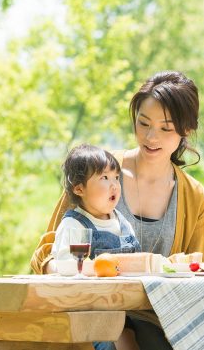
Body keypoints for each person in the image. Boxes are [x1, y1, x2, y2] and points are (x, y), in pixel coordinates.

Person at [31, 70, 204, 350]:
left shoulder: (193, 195)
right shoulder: (98, 172)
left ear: (186, 129)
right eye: (143, 123)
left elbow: (194, 273)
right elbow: (47, 253)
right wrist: (77, 269)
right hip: (89, 311)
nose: (151, 137)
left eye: (166, 128)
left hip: (155, 318)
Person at [50, 144, 140, 350]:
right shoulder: (74, 224)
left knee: (131, 339)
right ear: (79, 188)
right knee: (117, 340)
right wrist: (94, 268)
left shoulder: (121, 221)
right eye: (104, 178)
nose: (114, 185)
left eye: (116, 177)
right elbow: (64, 266)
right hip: (85, 313)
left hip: (122, 310)